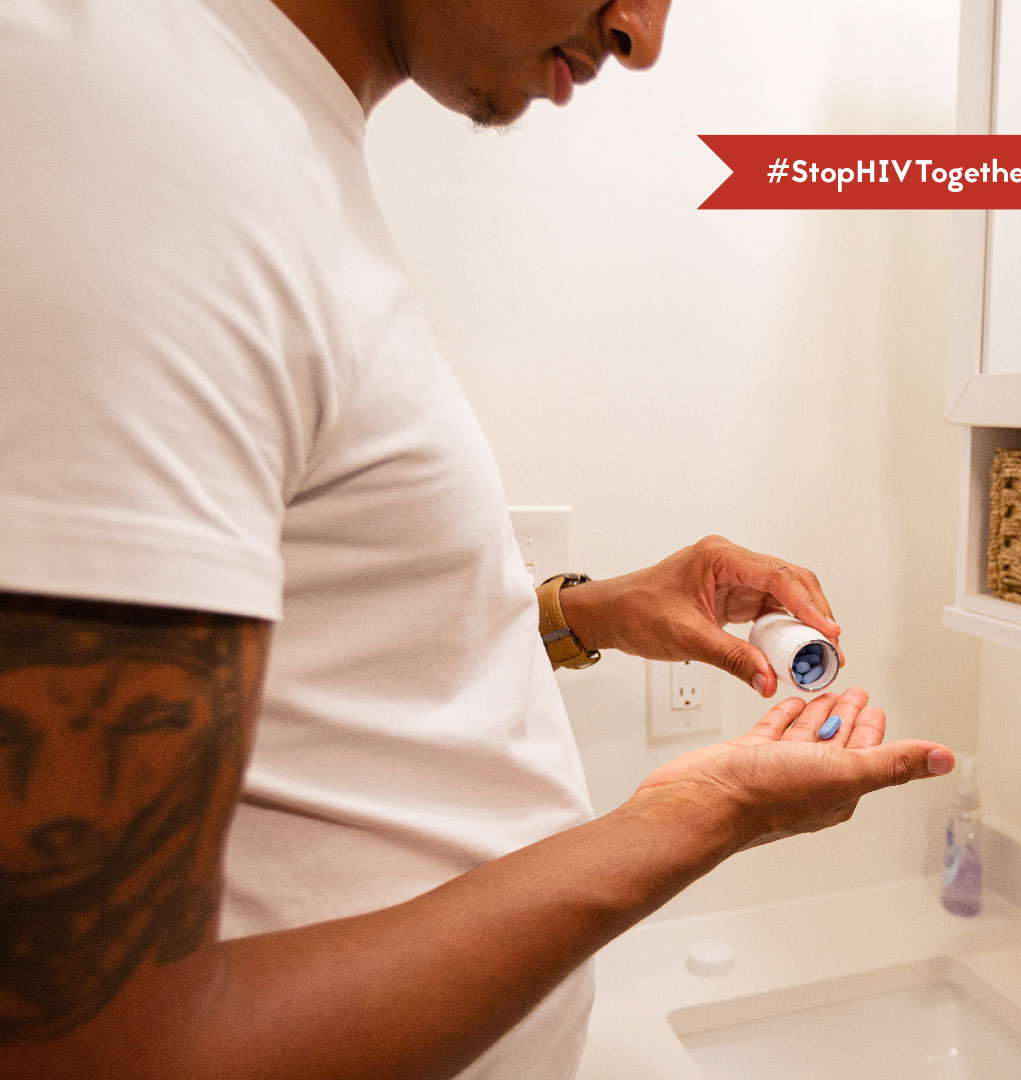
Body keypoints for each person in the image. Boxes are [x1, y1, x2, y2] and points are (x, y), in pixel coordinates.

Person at [0, 0, 955, 1077]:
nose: (646, 35)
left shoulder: (266, 138)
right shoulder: (139, 142)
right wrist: (702, 815)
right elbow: (93, 1053)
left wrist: (580, 613)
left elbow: (321, 644)